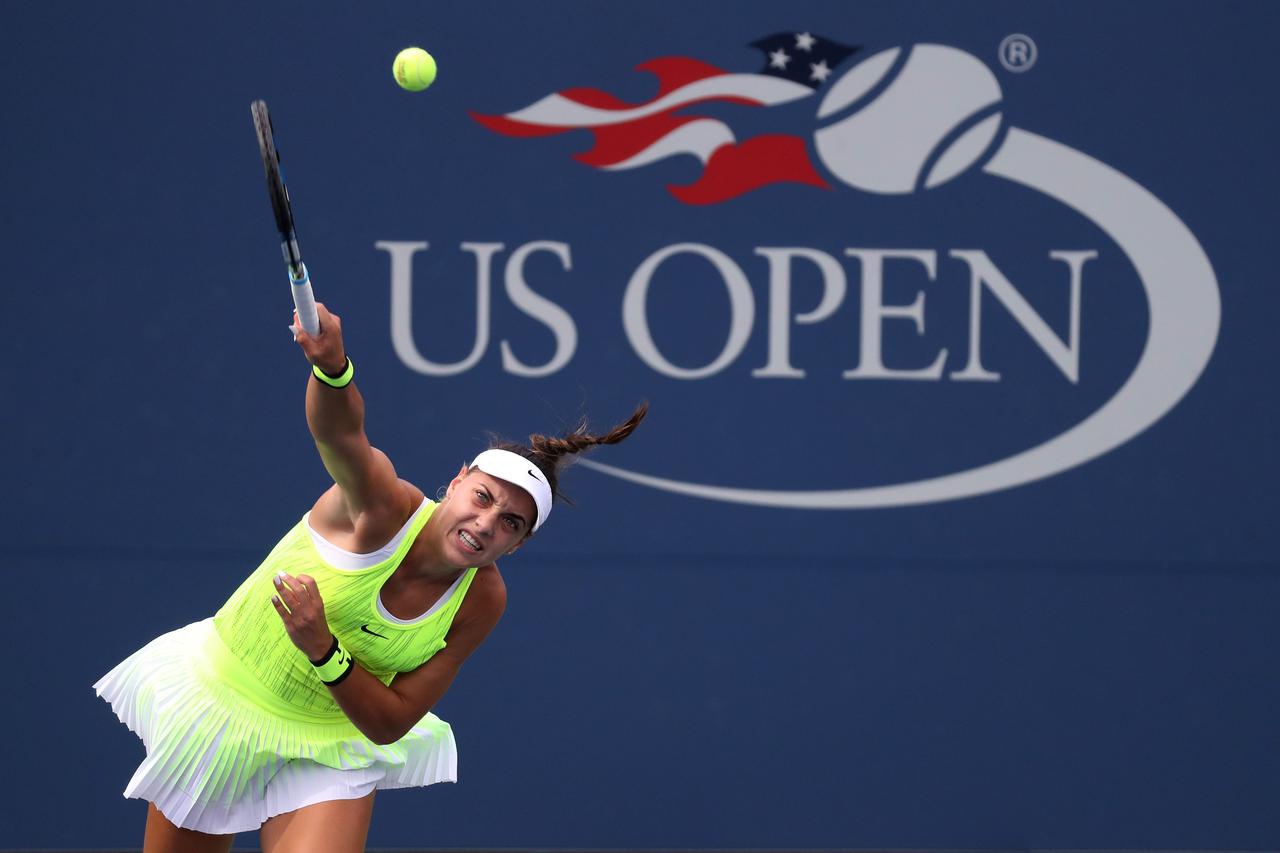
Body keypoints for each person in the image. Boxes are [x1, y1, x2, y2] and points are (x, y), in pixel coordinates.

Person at [95, 303, 646, 852]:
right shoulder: (381, 508)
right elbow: (340, 435)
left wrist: (324, 650)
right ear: (455, 482)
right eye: (482, 497)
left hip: (331, 740)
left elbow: (391, 722)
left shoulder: (482, 600)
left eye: (510, 523)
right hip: (224, 700)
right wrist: (332, 368)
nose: (485, 524)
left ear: (519, 544)